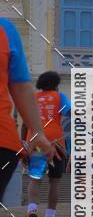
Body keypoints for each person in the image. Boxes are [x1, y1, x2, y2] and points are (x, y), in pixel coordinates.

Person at [0, 19, 54, 204]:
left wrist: (38, 132)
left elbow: (20, 87)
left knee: (40, 182)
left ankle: (41, 214)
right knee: (47, 183)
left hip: (3, 141)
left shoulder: (5, 29)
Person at [22, 70, 71, 217]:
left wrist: (25, 144)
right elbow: (70, 113)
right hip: (55, 144)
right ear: (56, 84)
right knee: (55, 182)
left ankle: (31, 211)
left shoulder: (33, 99)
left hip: (35, 142)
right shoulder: (59, 97)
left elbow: (24, 123)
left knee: (35, 180)